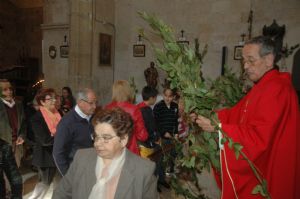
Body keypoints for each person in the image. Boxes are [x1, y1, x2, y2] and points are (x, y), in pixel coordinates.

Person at [196, 36, 300, 199]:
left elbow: (261, 137)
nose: (245, 66)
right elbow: (235, 114)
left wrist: (219, 128)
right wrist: (207, 115)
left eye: (251, 60)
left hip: (271, 169)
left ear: (269, 59)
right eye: (244, 61)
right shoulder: (264, 86)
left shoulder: (276, 89)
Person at [52, 108, 159, 199]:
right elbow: (61, 194)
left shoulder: (144, 170)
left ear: (123, 140)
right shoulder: (81, 157)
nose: (98, 143)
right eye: (96, 136)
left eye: (106, 138)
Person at [53, 88, 97, 176]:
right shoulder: (66, 123)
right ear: (80, 102)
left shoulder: (93, 117)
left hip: (91, 169)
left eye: (96, 102)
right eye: (91, 103)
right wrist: (68, 178)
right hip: (76, 172)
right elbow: (58, 153)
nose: (95, 106)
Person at [29, 88, 62, 199]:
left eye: (55, 97)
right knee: (44, 185)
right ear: (42, 102)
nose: (54, 100)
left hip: (60, 155)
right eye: (50, 98)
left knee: (61, 186)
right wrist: (63, 139)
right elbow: (45, 140)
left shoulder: (59, 114)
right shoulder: (37, 118)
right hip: (46, 157)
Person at [105, 80, 148, 155]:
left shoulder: (107, 108)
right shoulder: (133, 109)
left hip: (111, 149)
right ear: (128, 91)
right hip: (129, 150)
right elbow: (142, 136)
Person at [0, 79, 26, 197]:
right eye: (5, 89)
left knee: (16, 178)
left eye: (10, 88)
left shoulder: (19, 104)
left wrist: (21, 135)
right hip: (3, 146)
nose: (9, 91)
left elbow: (23, 123)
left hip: (16, 145)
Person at [153, 87, 178, 175]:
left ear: (174, 97)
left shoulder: (175, 106)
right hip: (161, 138)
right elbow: (155, 122)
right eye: (165, 95)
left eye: (170, 96)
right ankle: (160, 179)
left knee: (172, 155)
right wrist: (163, 132)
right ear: (163, 95)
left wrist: (176, 133)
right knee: (161, 159)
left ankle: (170, 173)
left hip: (172, 137)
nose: (167, 98)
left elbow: (175, 121)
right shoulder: (158, 106)